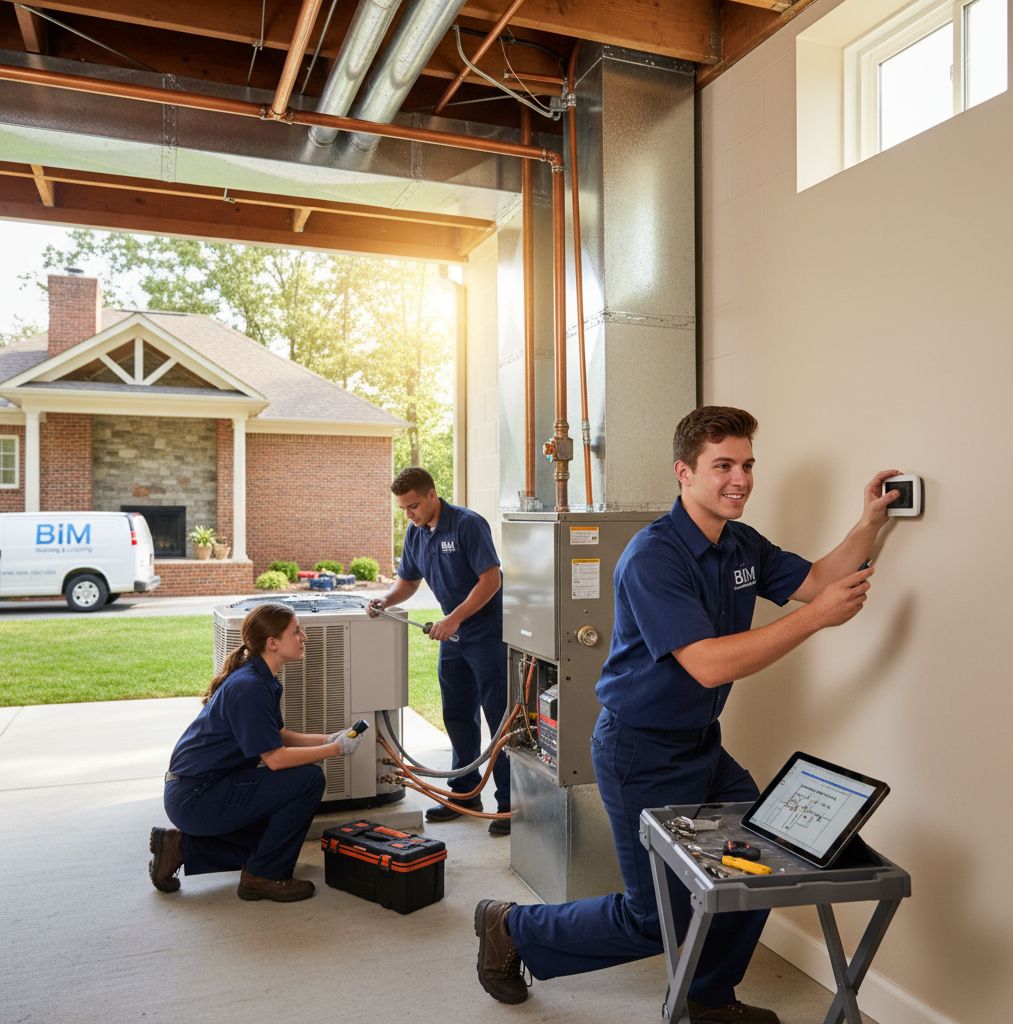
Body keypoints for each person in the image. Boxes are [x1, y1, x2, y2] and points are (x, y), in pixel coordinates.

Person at [474, 406, 901, 1023]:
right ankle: (510, 927)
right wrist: (815, 619)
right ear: (684, 472)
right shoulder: (654, 557)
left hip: (702, 744)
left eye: (748, 464)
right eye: (723, 465)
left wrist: (868, 522)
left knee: (756, 862)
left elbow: (816, 579)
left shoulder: (738, 544)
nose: (741, 479)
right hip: (638, 749)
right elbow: (707, 664)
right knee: (655, 920)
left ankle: (706, 998)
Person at [148, 602, 364, 901]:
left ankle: (179, 847)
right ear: (272, 643)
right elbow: (275, 759)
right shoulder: (250, 686)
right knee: (308, 780)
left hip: (201, 790)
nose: (304, 638)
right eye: (296, 632)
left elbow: (275, 736)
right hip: (195, 796)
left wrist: (327, 737)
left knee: (271, 843)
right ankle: (264, 876)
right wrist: (335, 749)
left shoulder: (260, 678)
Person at [368, 467, 510, 836]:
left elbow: (490, 580)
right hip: (454, 634)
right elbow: (408, 581)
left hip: (487, 631)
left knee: (500, 718)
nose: (409, 514)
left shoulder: (467, 524)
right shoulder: (415, 533)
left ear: (432, 495)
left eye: (413, 505)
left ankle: (511, 805)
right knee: (457, 713)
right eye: (403, 508)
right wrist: (386, 598)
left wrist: (455, 619)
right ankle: (465, 795)